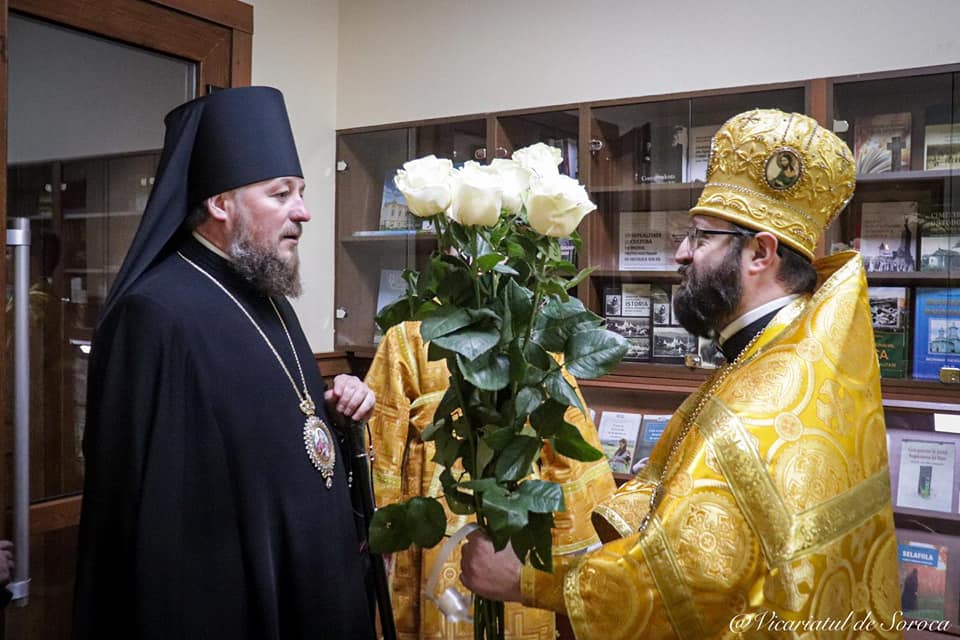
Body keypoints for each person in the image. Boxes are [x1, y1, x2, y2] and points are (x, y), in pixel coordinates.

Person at [459, 109, 902, 639]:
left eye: (700, 237)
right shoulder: (795, 353)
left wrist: (527, 580)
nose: (680, 253)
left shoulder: (762, 407)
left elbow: (691, 583)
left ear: (760, 253)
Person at [73, 87, 378, 639]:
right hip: (227, 600)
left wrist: (337, 413)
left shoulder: (267, 296)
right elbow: (147, 506)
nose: (303, 212)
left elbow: (280, 425)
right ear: (220, 203)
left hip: (306, 580)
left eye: (301, 193)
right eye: (281, 194)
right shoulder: (154, 314)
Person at [365, 320, 616, 640]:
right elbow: (383, 440)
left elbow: (381, 442)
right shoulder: (410, 337)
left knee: (510, 598)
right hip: (458, 511)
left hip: (508, 507)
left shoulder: (532, 333)